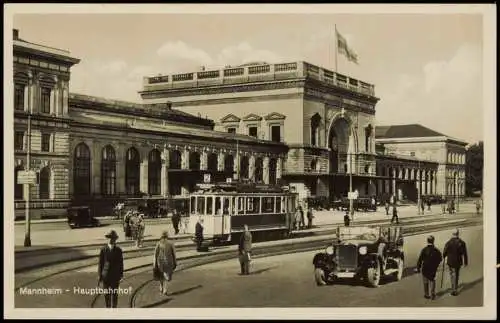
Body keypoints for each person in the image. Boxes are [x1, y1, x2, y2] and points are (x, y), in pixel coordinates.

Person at [98, 230, 124, 308]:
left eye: (112, 238)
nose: (110, 239)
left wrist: (121, 275)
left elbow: (121, 263)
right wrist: (99, 275)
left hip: (115, 276)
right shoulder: (103, 250)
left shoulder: (118, 250)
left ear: (115, 239)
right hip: (105, 276)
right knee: (106, 294)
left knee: (114, 294)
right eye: (109, 238)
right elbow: (100, 263)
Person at [416, 235, 443, 300]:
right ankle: (432, 294)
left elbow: (420, 259)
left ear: (427, 241)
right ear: (433, 241)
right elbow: (440, 259)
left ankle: (426, 294)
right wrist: (436, 265)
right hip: (432, 268)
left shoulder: (424, 250)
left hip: (425, 268)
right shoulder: (436, 250)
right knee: (432, 280)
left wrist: (418, 267)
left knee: (425, 281)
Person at [443, 229, 468, 296]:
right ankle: (454, 289)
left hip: (450, 261)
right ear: (458, 233)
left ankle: (453, 288)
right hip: (458, 261)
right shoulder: (462, 243)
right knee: (456, 275)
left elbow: (444, 252)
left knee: (452, 274)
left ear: (452, 234)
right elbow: (464, 253)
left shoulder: (448, 242)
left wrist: (444, 256)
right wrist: (465, 262)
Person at [153, 230, 177, 296]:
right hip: (168, 261)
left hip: (160, 261)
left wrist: (154, 263)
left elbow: (155, 254)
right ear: (167, 236)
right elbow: (174, 254)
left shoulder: (158, 243)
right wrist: (175, 261)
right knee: (166, 275)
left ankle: (161, 286)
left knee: (161, 274)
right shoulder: (171, 243)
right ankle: (165, 288)